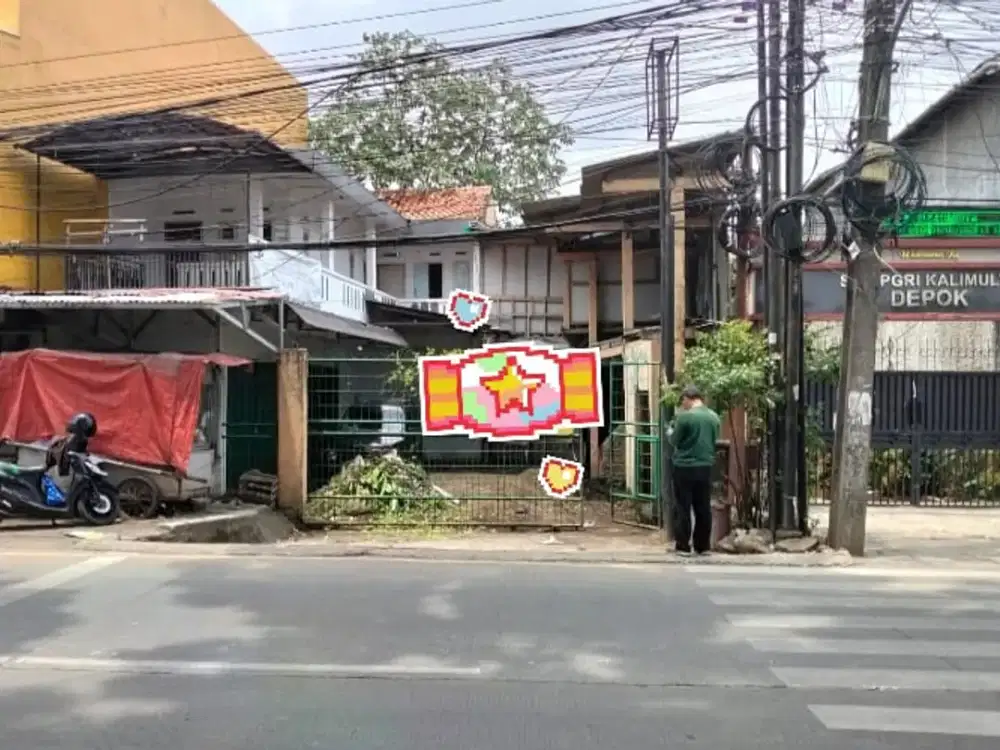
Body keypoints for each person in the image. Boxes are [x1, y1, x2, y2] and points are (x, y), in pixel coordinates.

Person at [668, 384, 720, 555]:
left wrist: (670, 431)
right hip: (705, 466)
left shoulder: (684, 418)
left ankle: (683, 545)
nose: (682, 403)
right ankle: (703, 546)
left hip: (684, 466)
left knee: (683, 506)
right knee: (703, 506)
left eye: (683, 400)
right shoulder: (714, 417)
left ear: (688, 398)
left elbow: (675, 440)